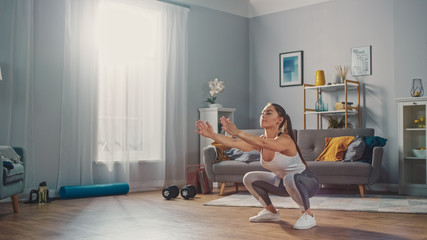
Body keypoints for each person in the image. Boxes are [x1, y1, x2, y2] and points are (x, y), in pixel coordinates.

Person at [195, 103, 319, 230]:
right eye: (262, 113)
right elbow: (234, 143)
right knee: (249, 178)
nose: (263, 116)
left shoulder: (285, 140)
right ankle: (271, 212)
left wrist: (238, 132)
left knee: (289, 177)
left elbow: (263, 142)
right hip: (284, 184)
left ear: (280, 120)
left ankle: (308, 215)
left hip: (306, 183)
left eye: (268, 113)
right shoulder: (260, 141)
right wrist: (212, 135)